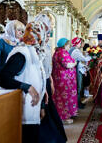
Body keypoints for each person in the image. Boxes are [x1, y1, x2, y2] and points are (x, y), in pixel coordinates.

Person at [0, 21, 47, 143]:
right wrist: (26, 87)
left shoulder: (32, 51)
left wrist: (42, 104)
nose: (45, 38)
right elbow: (1, 78)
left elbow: (38, 76)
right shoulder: (21, 53)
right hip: (23, 111)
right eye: (44, 35)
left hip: (32, 107)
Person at [35, 14, 67, 143]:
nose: (48, 38)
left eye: (49, 34)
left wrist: (51, 81)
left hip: (47, 81)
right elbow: (38, 70)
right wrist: (44, 88)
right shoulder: (36, 49)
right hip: (38, 84)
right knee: (44, 112)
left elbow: (47, 68)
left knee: (49, 110)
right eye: (46, 34)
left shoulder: (47, 47)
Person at [0, 20, 25, 84]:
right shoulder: (0, 43)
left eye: (22, 31)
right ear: (11, 30)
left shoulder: (19, 44)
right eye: (19, 30)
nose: (21, 33)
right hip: (1, 80)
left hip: (17, 81)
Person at [52, 38, 77, 124]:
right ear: (64, 45)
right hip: (64, 79)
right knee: (64, 97)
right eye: (68, 44)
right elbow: (68, 64)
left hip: (59, 78)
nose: (69, 46)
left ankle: (64, 115)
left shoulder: (57, 52)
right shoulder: (62, 52)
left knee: (59, 97)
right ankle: (64, 117)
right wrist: (75, 63)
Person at [68, 37, 91, 109]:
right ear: (77, 43)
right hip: (75, 70)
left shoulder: (75, 50)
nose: (81, 44)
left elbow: (79, 62)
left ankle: (78, 102)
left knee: (79, 87)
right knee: (78, 87)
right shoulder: (75, 51)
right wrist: (93, 55)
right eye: (80, 43)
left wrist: (84, 69)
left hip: (76, 69)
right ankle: (77, 104)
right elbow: (83, 59)